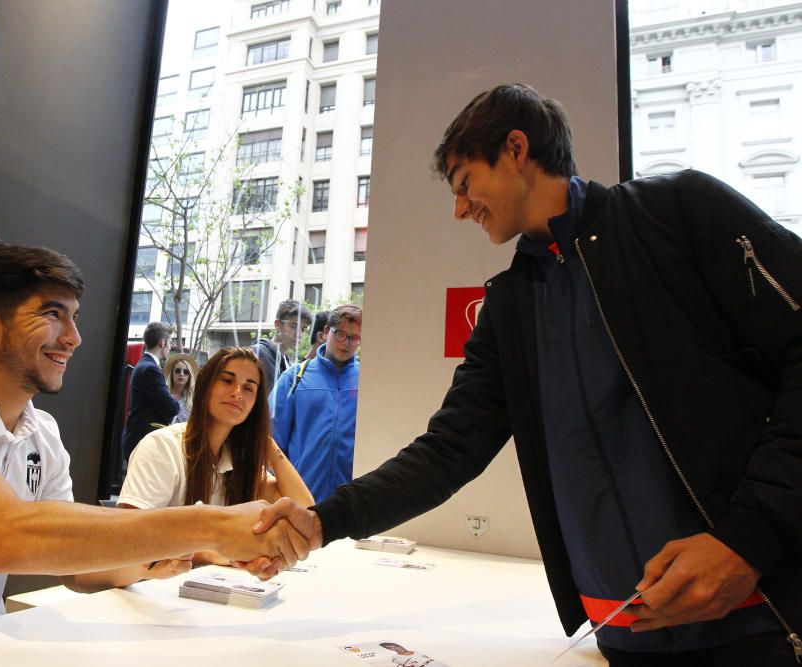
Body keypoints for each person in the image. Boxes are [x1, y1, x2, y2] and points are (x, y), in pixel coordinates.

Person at [256, 84, 802, 665]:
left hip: (759, 617)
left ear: (517, 148)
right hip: (623, 633)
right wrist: (322, 521)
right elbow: (447, 451)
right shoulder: (511, 308)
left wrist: (747, 540)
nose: (459, 209)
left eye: (465, 183)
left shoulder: (677, 213)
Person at [0, 238, 308, 655]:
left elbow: (75, 564)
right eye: (52, 315)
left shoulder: (40, 432)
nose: (73, 338)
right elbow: (2, 536)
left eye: (73, 317)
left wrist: (173, 554)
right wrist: (213, 528)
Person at [74, 347, 314, 589]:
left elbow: (304, 511)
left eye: (249, 388)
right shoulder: (163, 448)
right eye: (227, 380)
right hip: (144, 595)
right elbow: (124, 546)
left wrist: (269, 447)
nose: (237, 393)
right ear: (205, 386)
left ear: (255, 406)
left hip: (204, 598)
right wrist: (209, 550)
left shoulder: (237, 461)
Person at [270, 304, 362, 503]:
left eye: (354, 338)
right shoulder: (294, 378)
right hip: (301, 500)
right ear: (326, 331)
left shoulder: (368, 381)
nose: (346, 343)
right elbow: (271, 445)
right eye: (340, 334)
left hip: (353, 503)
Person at [122, 321, 180, 457]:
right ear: (162, 343)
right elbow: (172, 408)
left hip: (139, 442)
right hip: (143, 444)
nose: (171, 346)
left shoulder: (145, 365)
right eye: (170, 342)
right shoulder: (150, 369)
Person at [252, 299, 312, 389]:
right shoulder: (258, 353)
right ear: (277, 325)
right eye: (293, 326)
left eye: (303, 329)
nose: (299, 334)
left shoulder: (286, 363)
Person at [163, 353, 197, 424]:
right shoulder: (163, 394)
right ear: (172, 373)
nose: (182, 374)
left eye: (186, 372)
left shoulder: (194, 398)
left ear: (189, 376)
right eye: (178, 371)